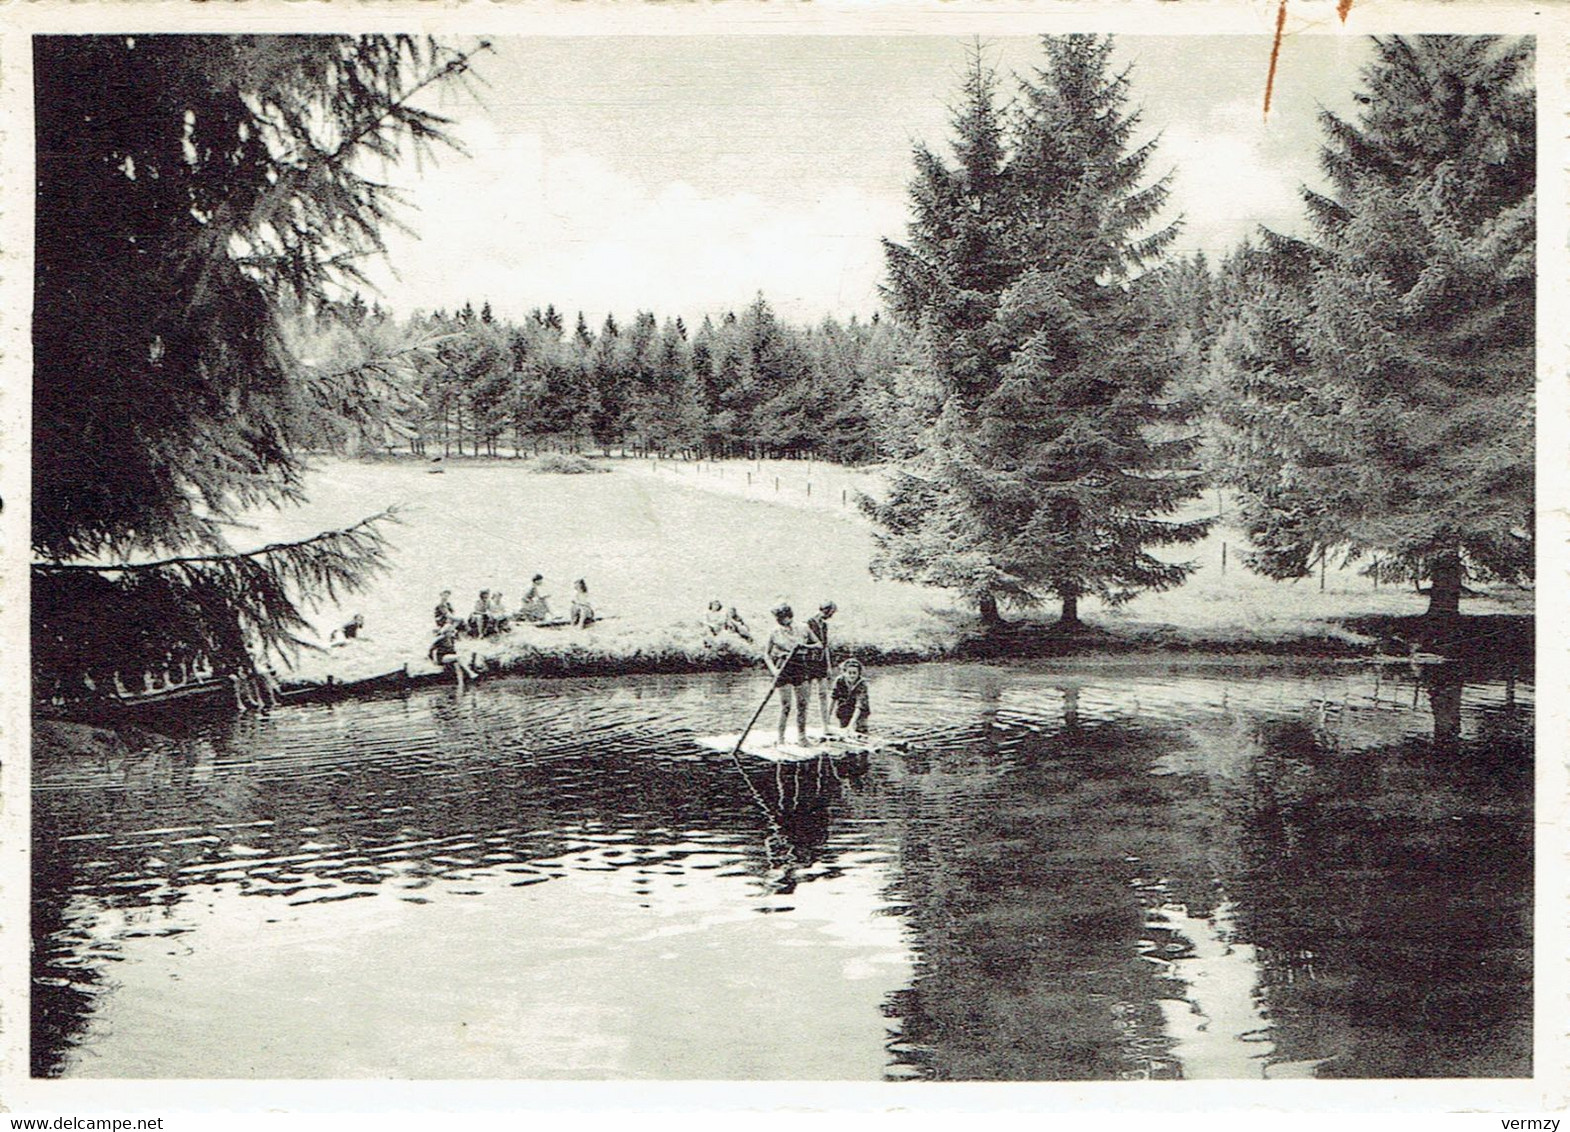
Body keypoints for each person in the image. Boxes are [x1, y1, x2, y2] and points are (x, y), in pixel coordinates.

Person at [765, 602, 820, 747]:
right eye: (777, 618)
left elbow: (819, 645)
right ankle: (781, 738)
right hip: (783, 667)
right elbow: (766, 654)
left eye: (781, 618)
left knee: (802, 704)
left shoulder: (803, 627)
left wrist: (805, 646)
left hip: (800, 666)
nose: (778, 621)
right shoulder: (775, 631)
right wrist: (774, 671)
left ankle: (802, 737)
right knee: (786, 705)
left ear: (789, 616)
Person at [805, 600, 837, 730]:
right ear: (826, 610)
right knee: (806, 695)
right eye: (831, 613)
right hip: (808, 662)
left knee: (823, 693)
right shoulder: (808, 623)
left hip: (821, 662)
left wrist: (828, 666)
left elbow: (825, 646)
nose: (831, 616)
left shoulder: (824, 625)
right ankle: (804, 726)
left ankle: (825, 725)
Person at [830, 657, 871, 734]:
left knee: (861, 730)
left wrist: (851, 725)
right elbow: (833, 698)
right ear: (844, 672)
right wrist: (827, 719)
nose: (852, 676)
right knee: (843, 730)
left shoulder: (862, 684)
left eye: (854, 673)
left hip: (860, 712)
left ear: (859, 673)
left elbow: (860, 705)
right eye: (849, 673)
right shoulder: (839, 681)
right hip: (844, 710)